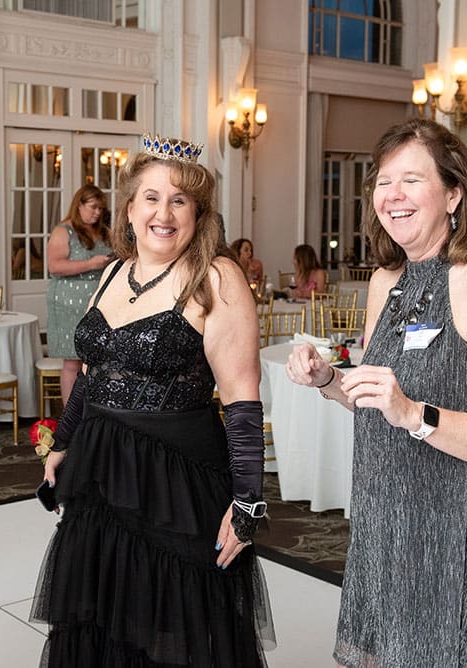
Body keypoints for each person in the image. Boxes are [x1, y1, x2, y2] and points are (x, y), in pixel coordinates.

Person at [285, 118, 467, 665]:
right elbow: (378, 401)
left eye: (411, 180)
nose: (393, 195)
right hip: (390, 519)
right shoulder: (387, 281)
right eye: (384, 181)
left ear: (454, 194)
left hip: (462, 531)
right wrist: (329, 380)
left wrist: (414, 414)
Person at [31, 134, 276, 666]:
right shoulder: (113, 271)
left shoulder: (217, 278)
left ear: (198, 214)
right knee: (102, 609)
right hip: (100, 470)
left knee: (169, 620)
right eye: (151, 198)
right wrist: (63, 442)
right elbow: (93, 374)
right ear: (129, 209)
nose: (163, 214)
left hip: (176, 482)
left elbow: (241, 401)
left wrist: (248, 502)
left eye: (179, 200)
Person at [45, 183, 113, 404]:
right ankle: (70, 416)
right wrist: (92, 264)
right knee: (73, 360)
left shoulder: (103, 231)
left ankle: (92, 412)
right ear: (79, 205)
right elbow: (55, 266)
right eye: (93, 207)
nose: (97, 213)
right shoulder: (63, 231)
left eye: (100, 208)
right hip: (68, 303)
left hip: (98, 304)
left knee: (97, 361)